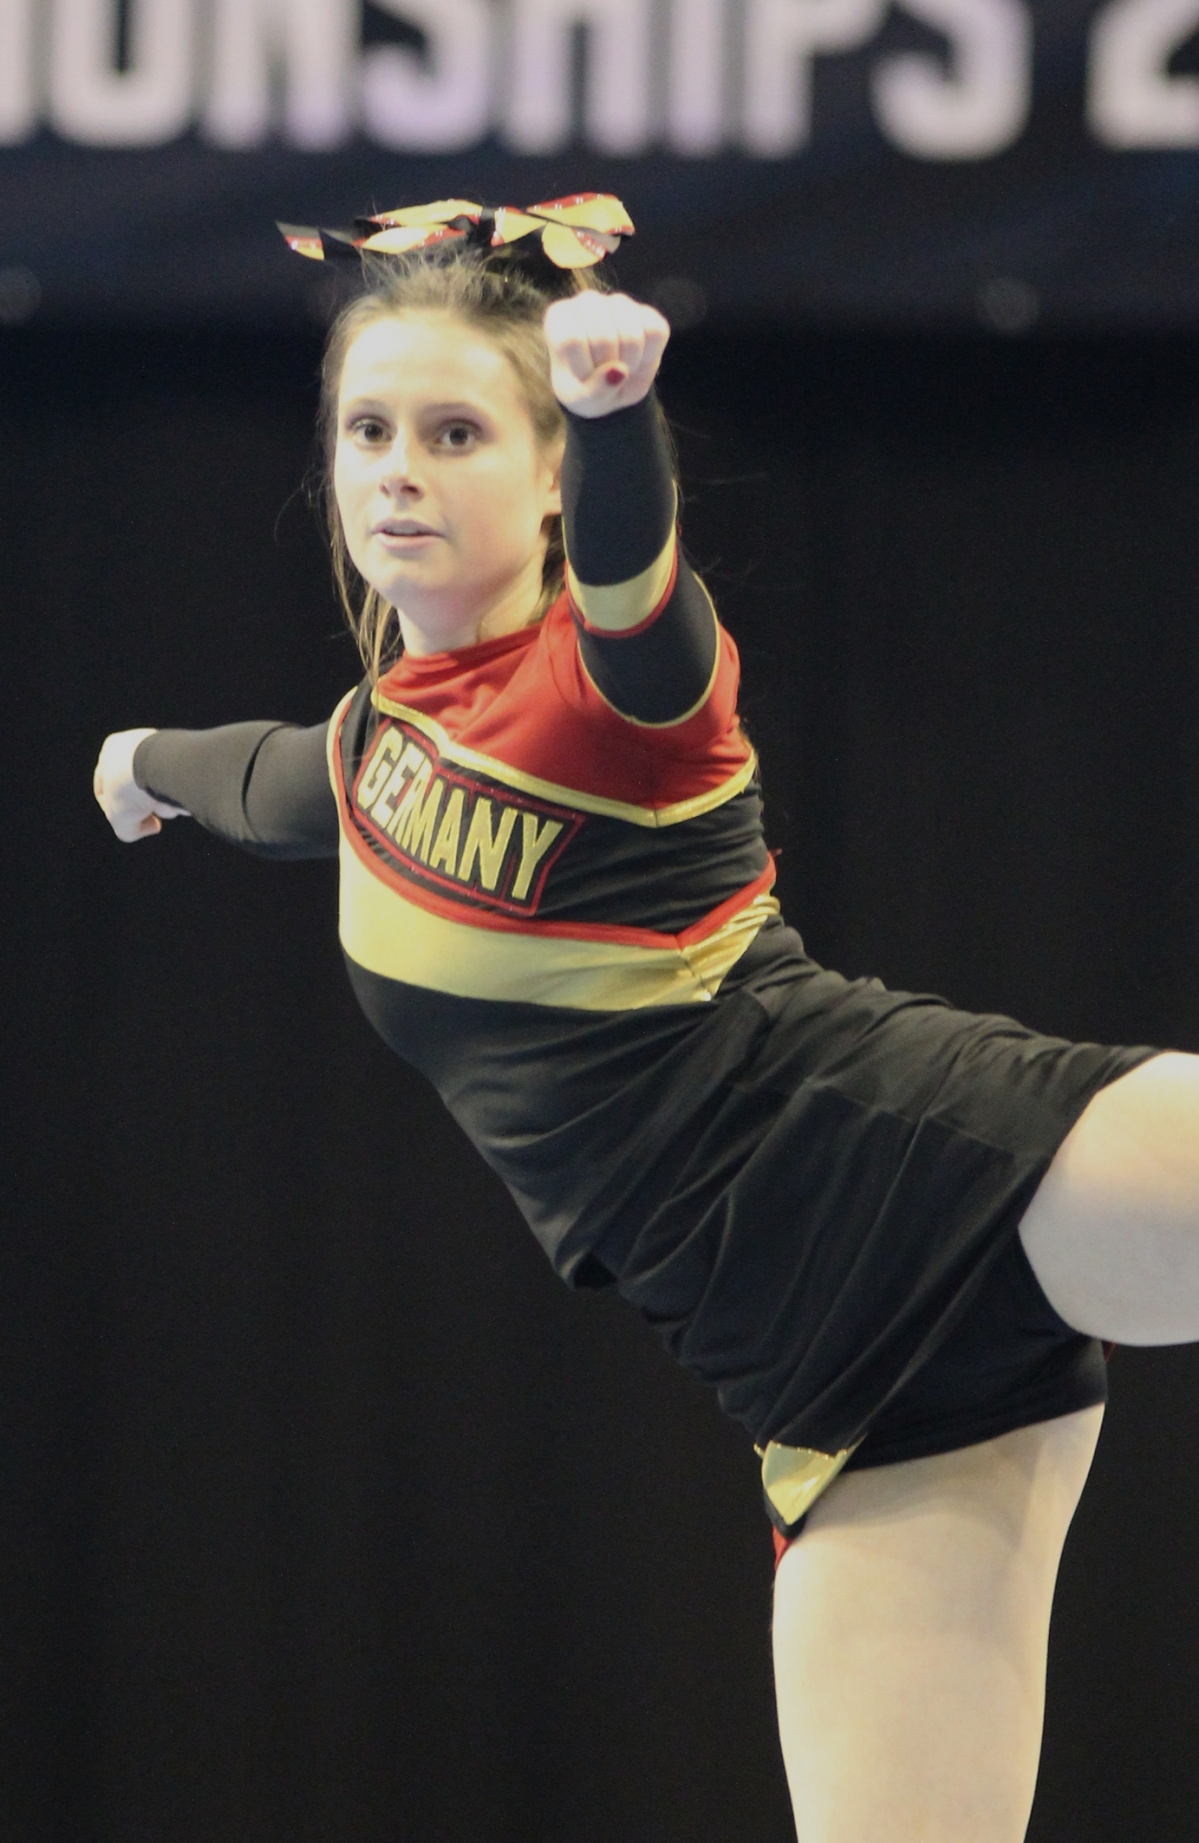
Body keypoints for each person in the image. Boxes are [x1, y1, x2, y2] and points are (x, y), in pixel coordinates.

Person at [93, 217, 1199, 1843]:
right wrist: (138, 762)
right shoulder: (376, 744)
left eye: (456, 432)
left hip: (937, 1168)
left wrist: (616, 419)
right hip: (837, 1389)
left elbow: (636, 601)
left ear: (546, 476)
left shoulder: (611, 690)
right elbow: (263, 782)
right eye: (369, 431)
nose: (399, 471)